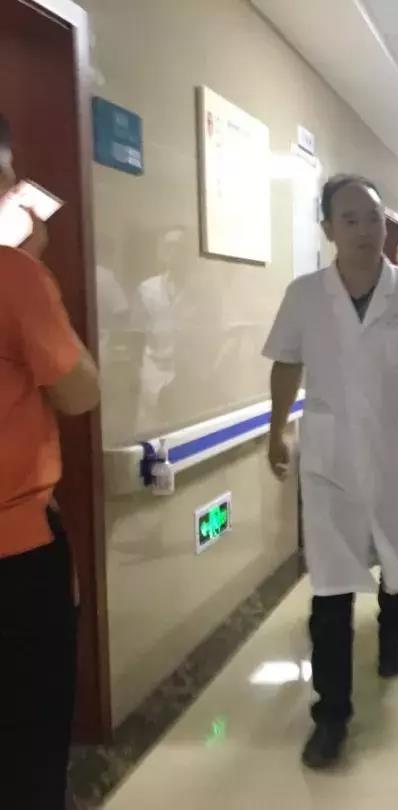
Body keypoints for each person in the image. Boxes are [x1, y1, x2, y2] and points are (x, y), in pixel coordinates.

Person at [263, 174, 398, 770]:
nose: (363, 230)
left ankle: (391, 634)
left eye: (373, 219)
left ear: (387, 226)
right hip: (331, 463)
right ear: (328, 228)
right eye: (349, 219)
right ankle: (331, 716)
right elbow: (286, 363)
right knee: (329, 589)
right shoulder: (306, 295)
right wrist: (276, 428)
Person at [0, 112, 101, 809]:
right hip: (15, 551)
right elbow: (80, 391)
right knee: (28, 741)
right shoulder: (13, 275)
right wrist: (30, 264)